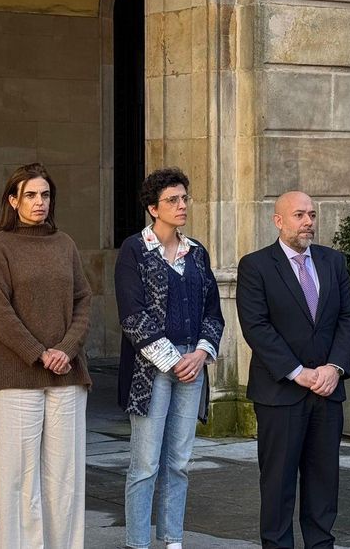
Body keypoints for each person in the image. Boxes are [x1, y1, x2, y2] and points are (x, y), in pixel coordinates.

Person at [235, 190, 350, 549]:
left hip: (327, 391)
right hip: (281, 394)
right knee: (278, 484)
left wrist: (334, 367)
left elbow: (347, 318)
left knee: (324, 482)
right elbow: (256, 327)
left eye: (312, 215)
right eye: (300, 215)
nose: (308, 222)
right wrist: (298, 372)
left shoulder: (333, 261)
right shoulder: (256, 265)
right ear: (279, 221)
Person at [0, 162, 91, 549]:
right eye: (30, 195)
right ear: (13, 200)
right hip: (15, 375)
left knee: (65, 478)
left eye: (45, 195)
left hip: (67, 374)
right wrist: (38, 352)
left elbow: (83, 300)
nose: (39, 202)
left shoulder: (66, 244)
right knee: (18, 479)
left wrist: (65, 349)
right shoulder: (1, 245)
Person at [116, 167, 224, 549]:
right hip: (150, 370)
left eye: (184, 198)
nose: (181, 206)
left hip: (192, 364)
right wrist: (171, 359)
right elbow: (132, 313)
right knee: (145, 463)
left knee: (179, 461)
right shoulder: (135, 250)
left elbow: (214, 311)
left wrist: (199, 354)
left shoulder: (197, 252)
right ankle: (137, 542)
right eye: (172, 200)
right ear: (152, 208)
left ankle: (173, 538)